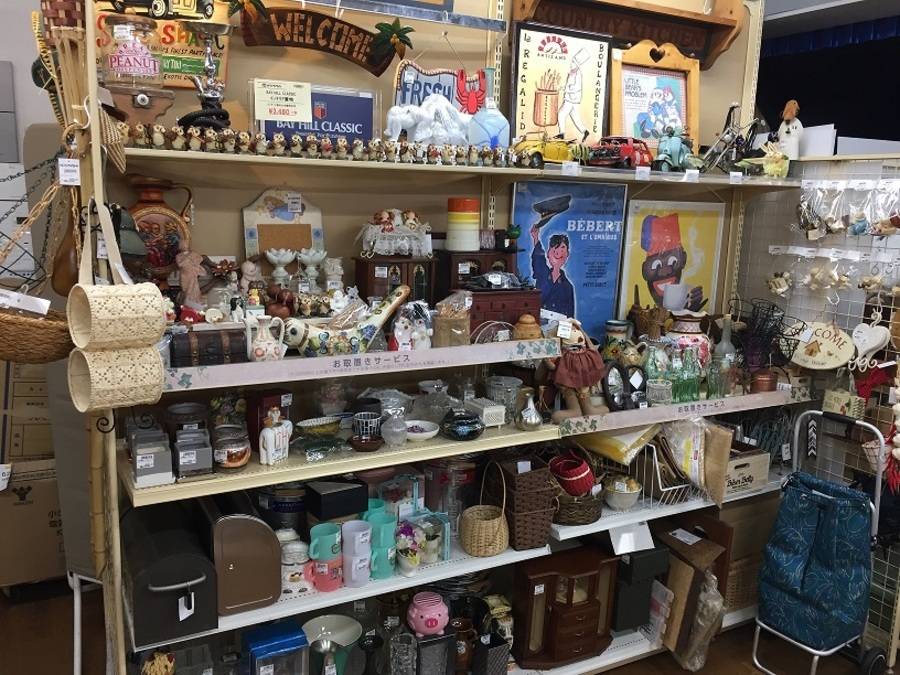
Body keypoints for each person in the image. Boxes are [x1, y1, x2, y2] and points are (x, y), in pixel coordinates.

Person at [531, 228, 575, 318]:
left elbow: (570, 315)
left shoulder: (568, 286)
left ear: (567, 254)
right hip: (540, 321)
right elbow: (538, 259)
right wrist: (535, 237)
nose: (558, 253)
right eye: (554, 249)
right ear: (548, 254)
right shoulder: (542, 274)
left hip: (559, 324)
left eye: (562, 249)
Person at [556, 48, 590, 141]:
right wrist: (564, 88)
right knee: (575, 117)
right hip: (571, 98)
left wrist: (566, 90)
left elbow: (576, 88)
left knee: (561, 114)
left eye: (573, 62)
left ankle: (561, 133)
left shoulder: (577, 75)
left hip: (571, 99)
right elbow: (569, 85)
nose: (571, 64)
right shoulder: (572, 73)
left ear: (577, 65)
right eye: (572, 62)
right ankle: (585, 131)